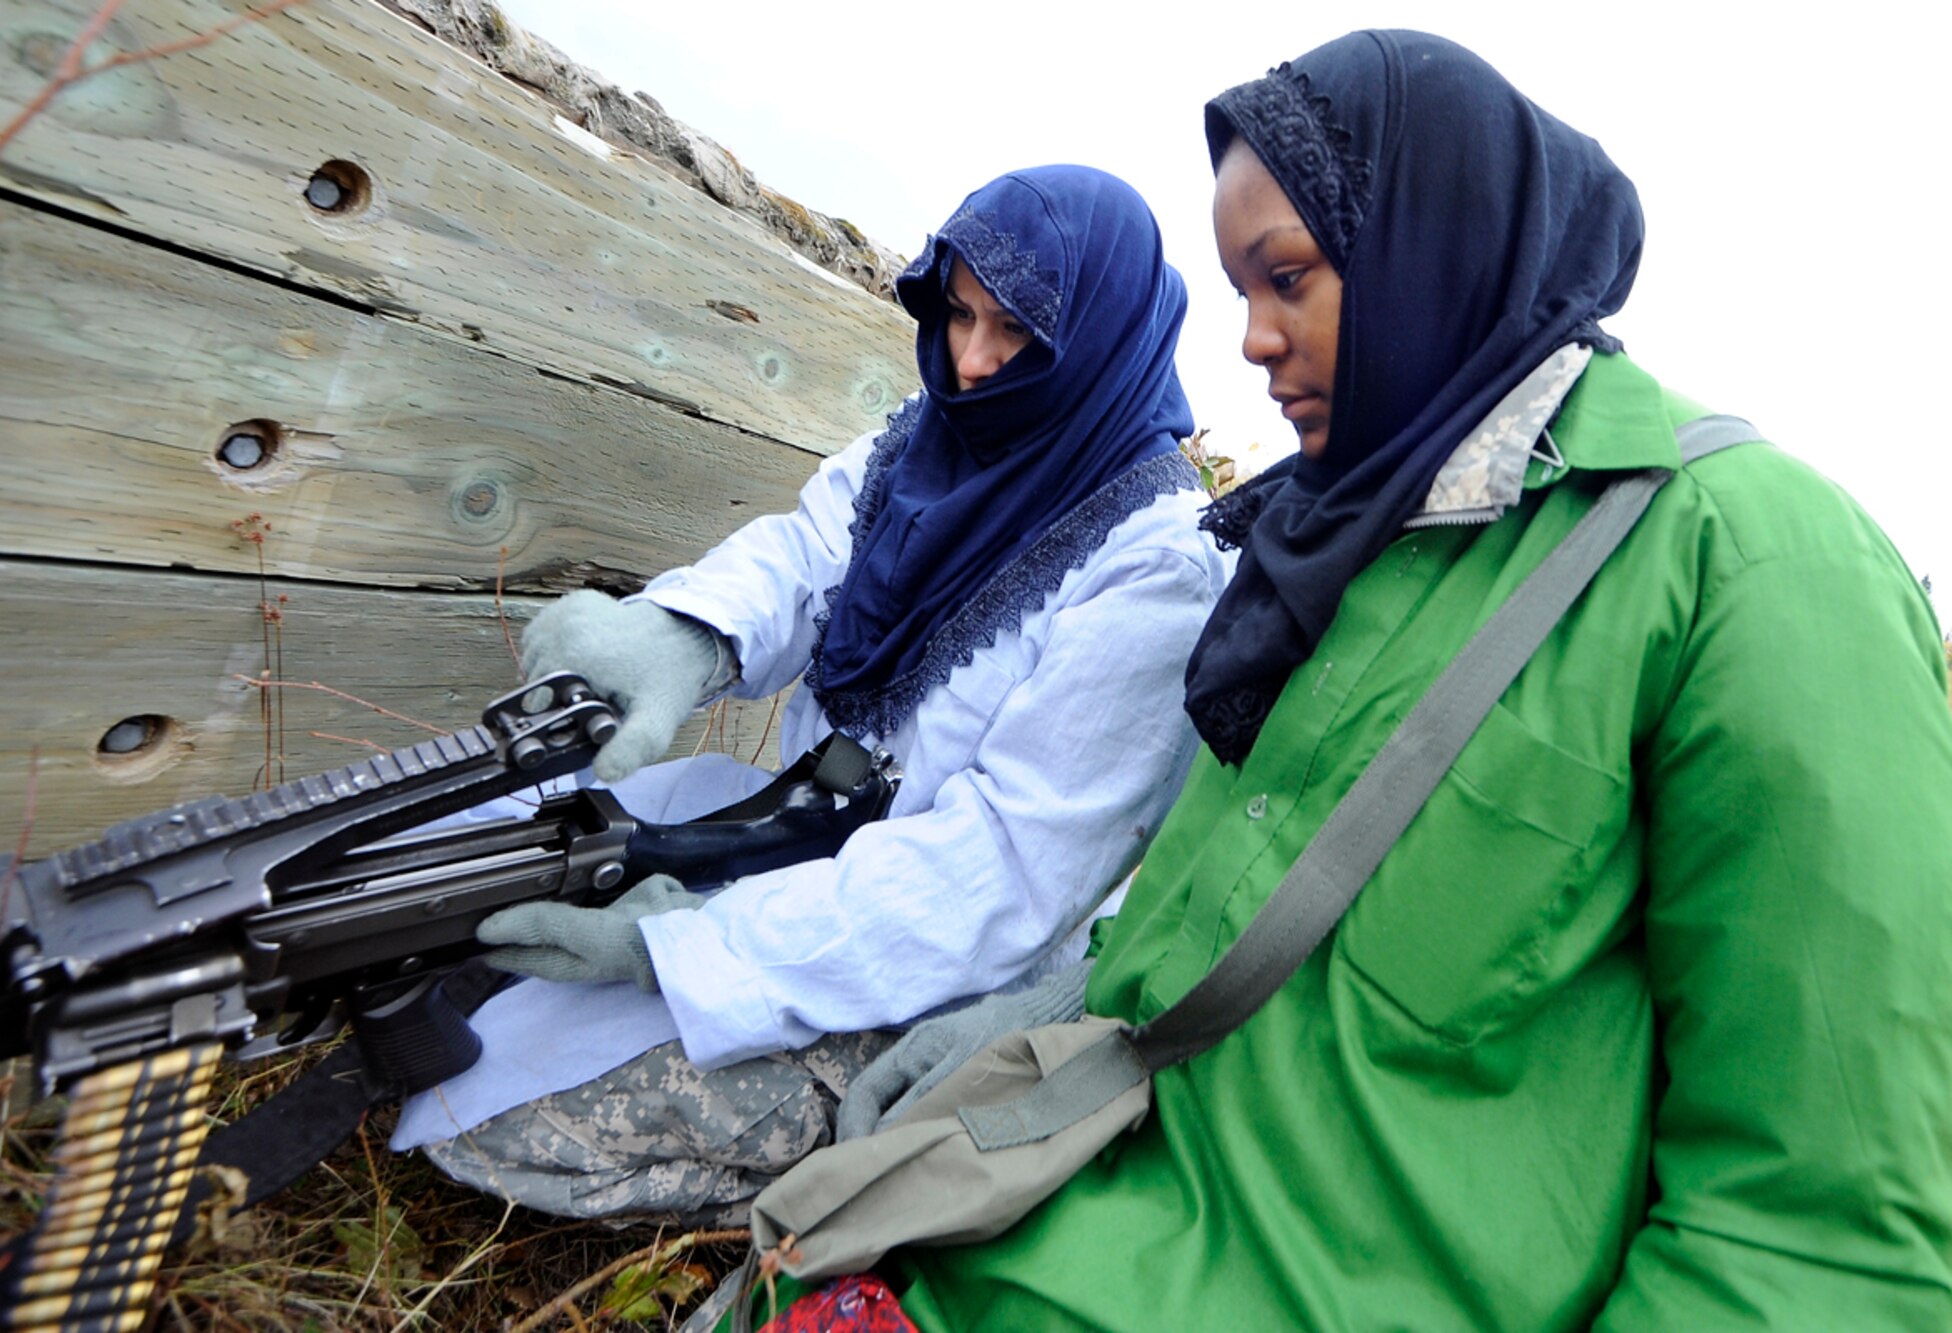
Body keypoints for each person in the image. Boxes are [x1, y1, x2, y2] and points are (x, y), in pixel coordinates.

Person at [837, 31, 1952, 1330]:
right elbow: (1238, 891)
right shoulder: (1340, 525)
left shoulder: (1758, 560)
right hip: (1024, 1239)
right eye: (1237, 287)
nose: (1251, 339)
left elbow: (1816, 1239)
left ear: (1440, 242)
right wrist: (1056, 1004)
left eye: (1288, 277)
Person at [398, 164, 1228, 1226]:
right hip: (788, 829)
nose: (973, 362)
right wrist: (687, 636)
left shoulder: (1157, 566)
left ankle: (850, 1171)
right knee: (467, 855)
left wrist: (686, 947)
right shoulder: (931, 434)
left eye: (1016, 331)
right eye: (958, 314)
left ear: (1104, 338)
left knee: (489, 1122)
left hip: (938, 959)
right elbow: (804, 556)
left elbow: (998, 879)